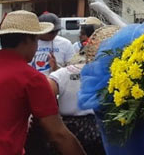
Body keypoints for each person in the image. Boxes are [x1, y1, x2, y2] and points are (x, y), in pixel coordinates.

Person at [0, 10, 86, 155]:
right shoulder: (31, 78)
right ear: (26, 40)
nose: (36, 47)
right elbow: (58, 134)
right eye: (36, 40)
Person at [47, 26, 118, 155]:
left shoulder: (62, 74)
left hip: (68, 131)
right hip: (101, 131)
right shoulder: (115, 74)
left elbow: (45, 95)